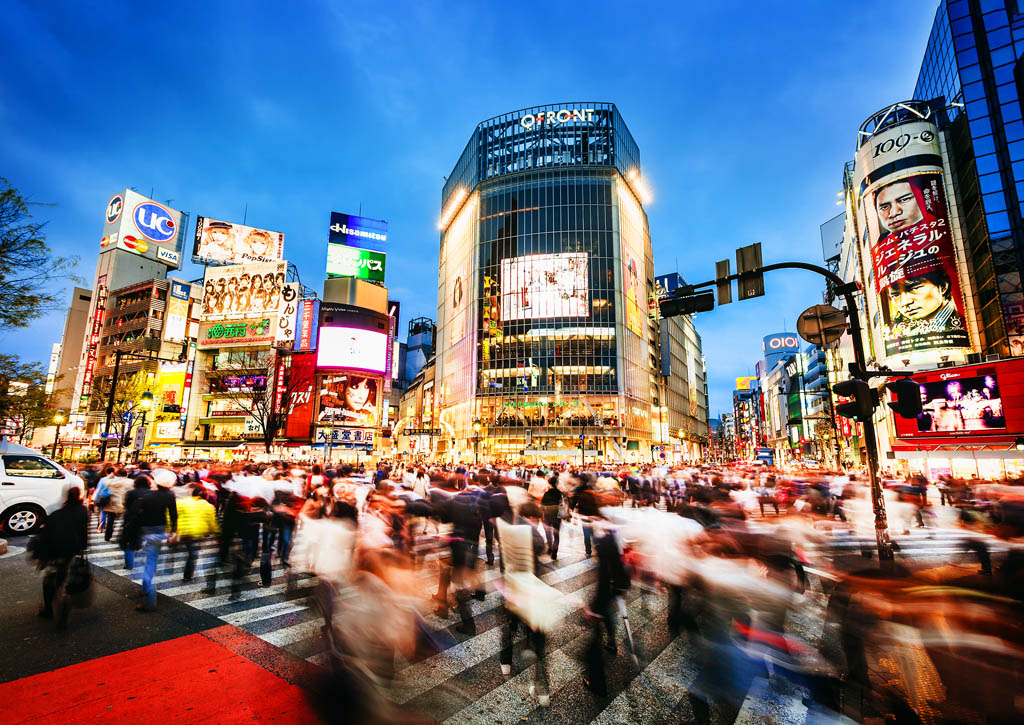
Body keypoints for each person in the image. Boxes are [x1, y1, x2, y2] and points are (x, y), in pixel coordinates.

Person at [34, 487, 89, 631]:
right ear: (80, 497)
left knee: (50, 579)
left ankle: (48, 609)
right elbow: (83, 533)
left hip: (52, 551)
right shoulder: (83, 511)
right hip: (70, 550)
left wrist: (40, 556)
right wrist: (82, 548)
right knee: (65, 581)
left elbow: (45, 534)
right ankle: (63, 614)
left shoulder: (57, 514)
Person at [135, 469, 179, 611]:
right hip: (161, 530)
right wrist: (173, 532)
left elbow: (138, 514)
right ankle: (145, 589)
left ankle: (150, 600)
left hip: (147, 530)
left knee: (145, 565)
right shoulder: (169, 496)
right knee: (151, 562)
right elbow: (174, 516)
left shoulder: (148, 496)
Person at [175, 485, 220, 583]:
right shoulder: (208, 506)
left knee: (188, 551)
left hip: (184, 532)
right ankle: (187, 575)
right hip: (197, 533)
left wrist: (173, 529)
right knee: (193, 555)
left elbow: (174, 515)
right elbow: (212, 522)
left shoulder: (182, 502)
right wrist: (216, 532)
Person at [100, 468, 134, 541]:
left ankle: (108, 536)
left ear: (117, 474)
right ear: (126, 474)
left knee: (110, 520)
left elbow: (105, 482)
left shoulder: (112, 481)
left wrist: (111, 476)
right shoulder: (131, 482)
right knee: (125, 520)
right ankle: (123, 536)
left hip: (112, 504)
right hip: (124, 504)